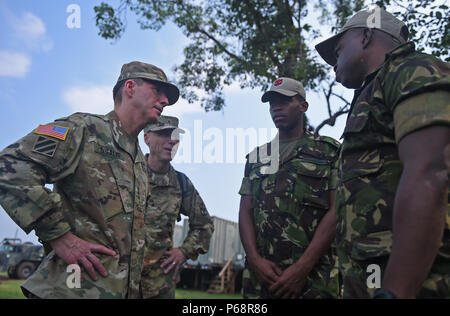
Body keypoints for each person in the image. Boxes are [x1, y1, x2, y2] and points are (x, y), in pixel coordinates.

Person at [0, 61, 179, 298]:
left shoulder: (138, 160)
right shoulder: (83, 129)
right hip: (72, 290)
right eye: (158, 91)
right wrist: (58, 235)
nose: (165, 100)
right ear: (130, 87)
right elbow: (9, 166)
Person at [315, 7, 450, 298]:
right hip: (369, 280)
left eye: (338, 49)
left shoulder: (411, 70)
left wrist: (396, 291)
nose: (333, 62)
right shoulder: (370, 93)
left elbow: (431, 172)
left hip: (419, 284)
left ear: (365, 36)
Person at [238, 77, 341, 299]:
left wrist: (302, 268)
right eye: (272, 103)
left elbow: (337, 210)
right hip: (261, 280)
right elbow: (245, 210)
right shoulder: (257, 157)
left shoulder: (328, 151)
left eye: (284, 101)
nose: (276, 107)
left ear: (303, 106)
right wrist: (255, 260)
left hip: (313, 280)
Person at [141, 115, 214, 299]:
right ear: (147, 138)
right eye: (164, 134)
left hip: (158, 286)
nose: (172, 140)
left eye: (175, 135)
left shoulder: (181, 184)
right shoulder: (125, 173)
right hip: (118, 282)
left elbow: (204, 225)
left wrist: (184, 251)